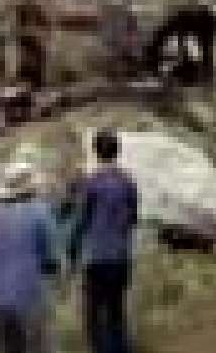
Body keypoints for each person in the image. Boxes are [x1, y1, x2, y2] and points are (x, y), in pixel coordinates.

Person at [0, 160, 60, 353]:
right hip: (27, 296)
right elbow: (51, 258)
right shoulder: (40, 212)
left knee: (2, 347)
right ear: (31, 186)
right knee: (37, 346)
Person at [69, 129, 139, 353]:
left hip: (97, 258)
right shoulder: (128, 183)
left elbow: (81, 219)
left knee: (94, 316)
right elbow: (133, 218)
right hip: (121, 256)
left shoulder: (92, 184)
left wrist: (72, 251)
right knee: (116, 312)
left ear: (96, 152)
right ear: (117, 151)